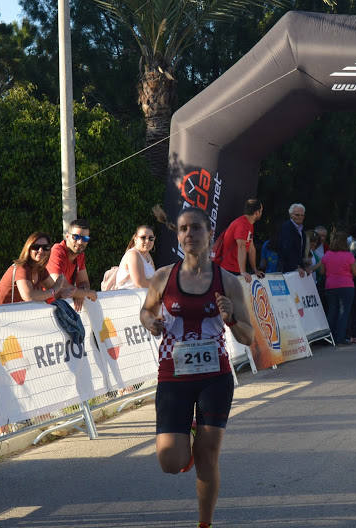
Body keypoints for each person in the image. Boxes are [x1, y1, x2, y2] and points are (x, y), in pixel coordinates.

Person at [140, 207, 253, 528]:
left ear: (209, 235)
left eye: (196, 229)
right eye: (184, 229)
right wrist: (152, 322)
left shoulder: (227, 281)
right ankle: (187, 433)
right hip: (173, 377)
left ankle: (205, 523)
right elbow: (146, 310)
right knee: (170, 462)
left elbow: (248, 336)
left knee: (208, 459)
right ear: (178, 236)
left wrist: (231, 317)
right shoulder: (163, 277)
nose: (190, 234)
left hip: (214, 378)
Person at [0, 232, 74, 305]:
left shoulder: (40, 270)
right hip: (1, 317)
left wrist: (69, 292)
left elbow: (58, 292)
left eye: (46, 247)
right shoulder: (21, 268)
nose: (41, 250)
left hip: (18, 315)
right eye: (36, 247)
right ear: (28, 249)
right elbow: (29, 296)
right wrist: (54, 290)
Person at [315, 231, 356, 345]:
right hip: (346, 285)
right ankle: (340, 338)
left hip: (330, 286)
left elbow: (322, 271)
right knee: (344, 312)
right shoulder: (348, 256)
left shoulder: (327, 255)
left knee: (332, 311)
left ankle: (329, 338)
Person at [46, 219, 98, 311]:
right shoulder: (57, 251)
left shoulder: (80, 255)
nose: (80, 242)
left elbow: (84, 283)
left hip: (59, 306)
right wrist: (86, 293)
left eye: (85, 238)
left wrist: (80, 293)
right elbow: (60, 285)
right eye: (76, 237)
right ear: (67, 236)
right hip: (43, 308)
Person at [218, 199, 264, 282]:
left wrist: (255, 270)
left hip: (235, 270)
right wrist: (243, 272)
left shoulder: (249, 225)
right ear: (257, 213)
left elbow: (251, 248)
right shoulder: (242, 225)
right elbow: (241, 247)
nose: (262, 213)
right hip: (228, 270)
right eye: (261, 211)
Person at [115, 225, 157, 290]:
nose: (147, 241)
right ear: (135, 239)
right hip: (129, 297)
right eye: (143, 237)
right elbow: (140, 283)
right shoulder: (133, 254)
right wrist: (162, 284)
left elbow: (153, 279)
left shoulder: (148, 256)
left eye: (151, 238)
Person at [277, 203, 307, 275]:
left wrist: (303, 267)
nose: (300, 217)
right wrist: (295, 267)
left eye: (302, 215)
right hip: (288, 270)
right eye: (297, 215)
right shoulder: (287, 227)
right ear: (291, 215)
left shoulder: (301, 230)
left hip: (297, 270)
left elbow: (300, 252)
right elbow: (286, 250)